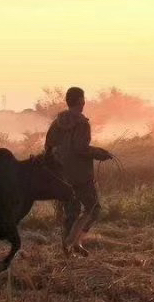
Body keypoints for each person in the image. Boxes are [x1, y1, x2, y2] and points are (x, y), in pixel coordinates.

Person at [44, 87, 112, 256]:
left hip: (62, 175)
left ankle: (68, 248)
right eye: (83, 99)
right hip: (81, 176)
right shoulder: (82, 123)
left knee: (71, 212)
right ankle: (74, 241)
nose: (84, 102)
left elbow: (48, 147)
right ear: (81, 101)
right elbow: (80, 148)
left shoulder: (56, 122)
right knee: (93, 208)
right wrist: (100, 153)